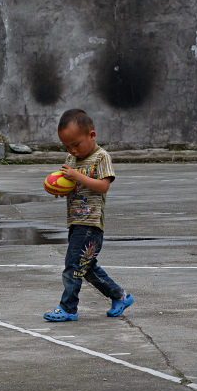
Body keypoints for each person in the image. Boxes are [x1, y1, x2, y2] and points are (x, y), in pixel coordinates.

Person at [43, 109, 134, 322]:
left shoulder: (101, 157)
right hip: (75, 221)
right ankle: (120, 296)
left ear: (92, 136)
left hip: (91, 223)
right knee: (87, 268)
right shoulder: (71, 159)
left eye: (76, 144)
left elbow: (103, 186)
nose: (72, 150)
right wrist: (61, 189)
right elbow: (72, 184)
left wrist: (76, 176)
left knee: (73, 267)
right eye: (67, 146)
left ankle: (68, 308)